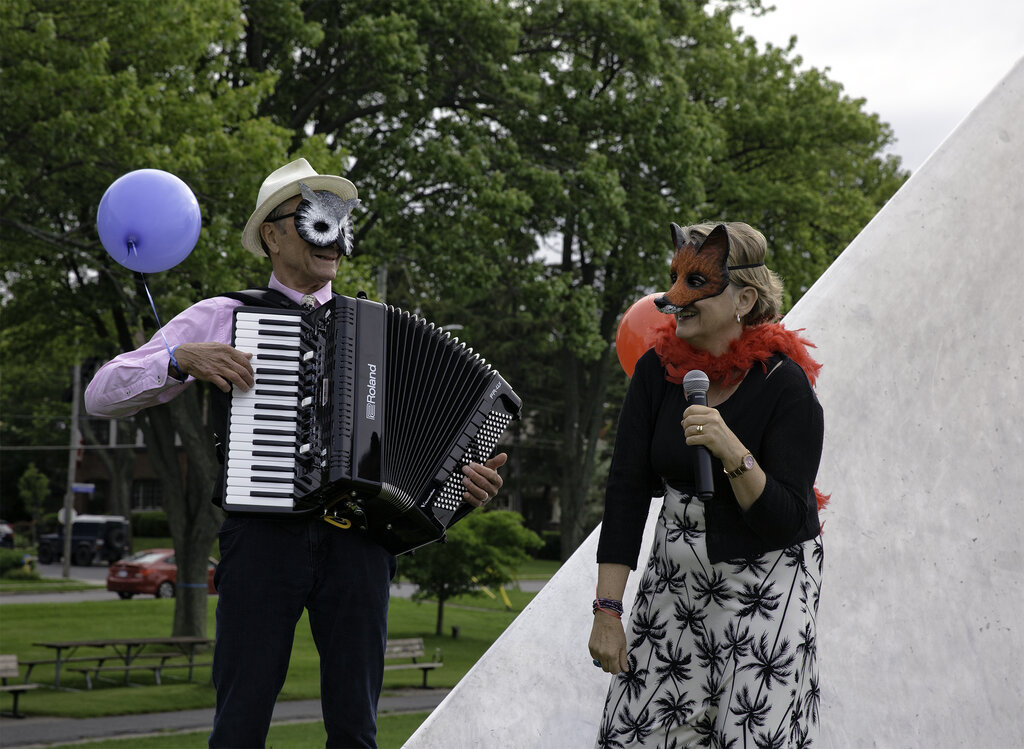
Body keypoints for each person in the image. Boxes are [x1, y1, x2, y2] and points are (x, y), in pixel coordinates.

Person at [85, 158, 508, 748]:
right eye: (313, 221)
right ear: (273, 235)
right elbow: (100, 394)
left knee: (355, 730)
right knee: (240, 723)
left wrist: (463, 486)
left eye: (338, 223)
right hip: (262, 541)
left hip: (359, 545)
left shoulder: (377, 327)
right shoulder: (225, 314)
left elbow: (421, 457)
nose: (331, 237)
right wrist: (180, 359)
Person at [588, 221, 825, 748]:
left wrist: (731, 450)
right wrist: (607, 610)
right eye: (674, 278)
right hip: (673, 585)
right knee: (633, 734)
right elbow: (626, 489)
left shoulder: (784, 384)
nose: (673, 298)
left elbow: (785, 519)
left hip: (766, 587)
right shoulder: (656, 371)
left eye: (695, 283)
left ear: (743, 298)